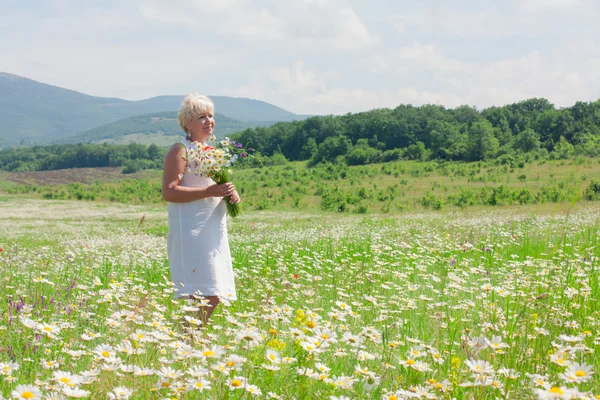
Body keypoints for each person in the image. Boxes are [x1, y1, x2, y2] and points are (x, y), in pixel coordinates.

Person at [162, 93, 240, 326]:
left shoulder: (210, 151)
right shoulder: (180, 150)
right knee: (206, 293)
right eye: (201, 117)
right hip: (191, 231)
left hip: (212, 230)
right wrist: (210, 192)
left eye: (211, 116)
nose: (209, 121)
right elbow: (169, 191)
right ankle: (185, 341)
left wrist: (229, 193)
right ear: (187, 122)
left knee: (212, 293)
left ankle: (186, 341)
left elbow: (211, 187)